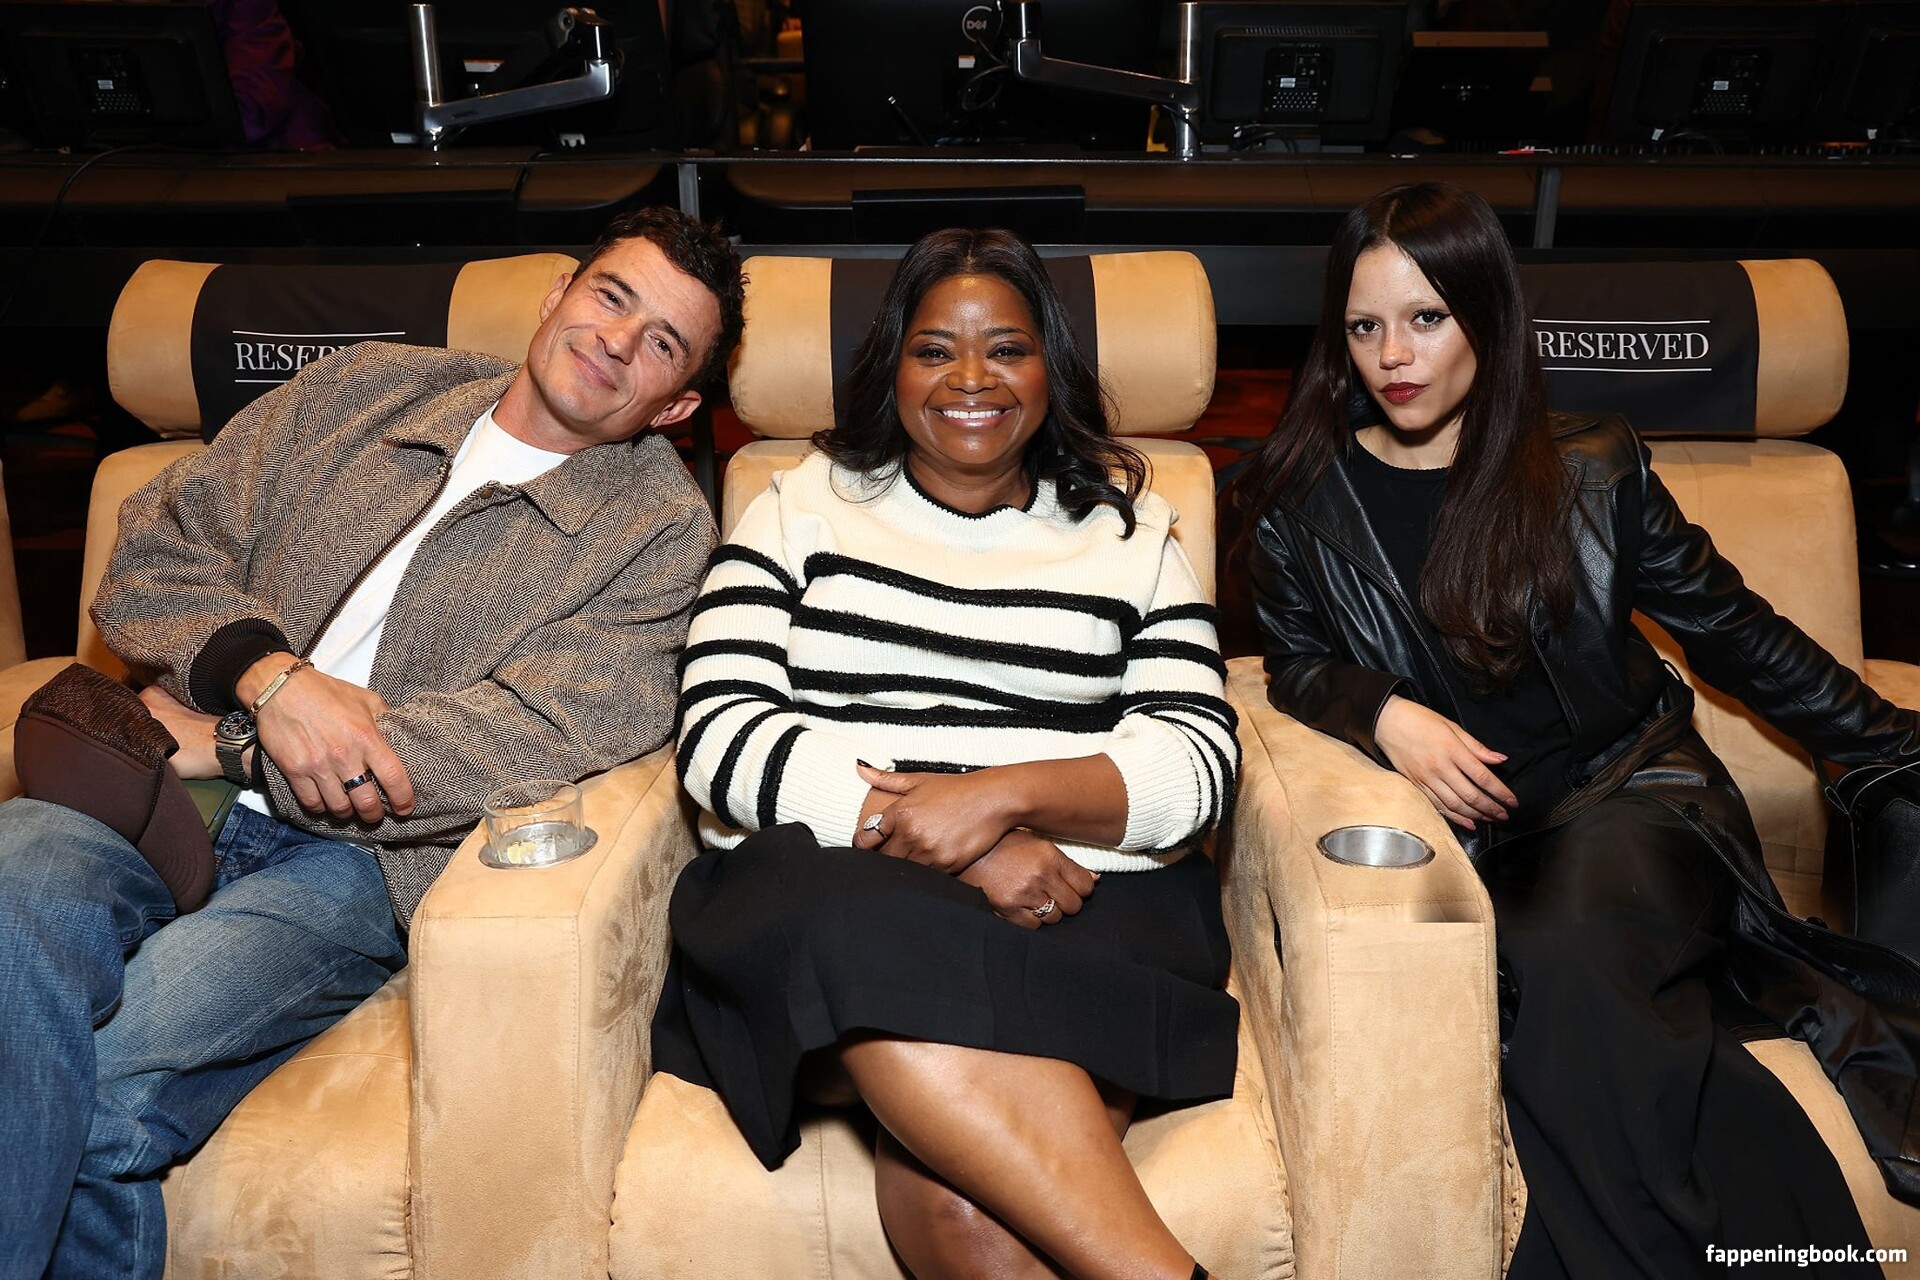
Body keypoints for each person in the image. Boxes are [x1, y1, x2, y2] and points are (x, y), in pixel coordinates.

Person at [0, 205, 743, 1280]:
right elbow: (156, 545)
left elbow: (530, 732)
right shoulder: (364, 390)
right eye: (610, 295)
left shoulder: (662, 539)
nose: (617, 339)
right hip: (150, 785)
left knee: (113, 1084)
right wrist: (271, 680)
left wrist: (240, 745)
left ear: (675, 405)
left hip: (358, 860)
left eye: (662, 342)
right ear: (558, 294)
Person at [1244, 180, 1920, 1279]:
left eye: (1426, 318)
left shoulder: (1592, 467)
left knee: (1561, 965)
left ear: (1486, 317)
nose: (1392, 355)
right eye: (1364, 327)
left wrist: (1892, 738)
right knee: (1599, 1031)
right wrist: (1384, 712)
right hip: (1479, 848)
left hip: (1631, 799)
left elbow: (1733, 631)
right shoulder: (1300, 502)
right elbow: (1295, 662)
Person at [656, 227, 1240, 1280]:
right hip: (844, 890)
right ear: (893, 367)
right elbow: (722, 728)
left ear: (1050, 368)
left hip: (1082, 899)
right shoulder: (796, 508)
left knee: (972, 1213)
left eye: (1007, 348)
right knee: (848, 921)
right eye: (934, 350)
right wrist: (954, 845)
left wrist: (999, 798)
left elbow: (1197, 759)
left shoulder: (1133, 533)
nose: (971, 377)